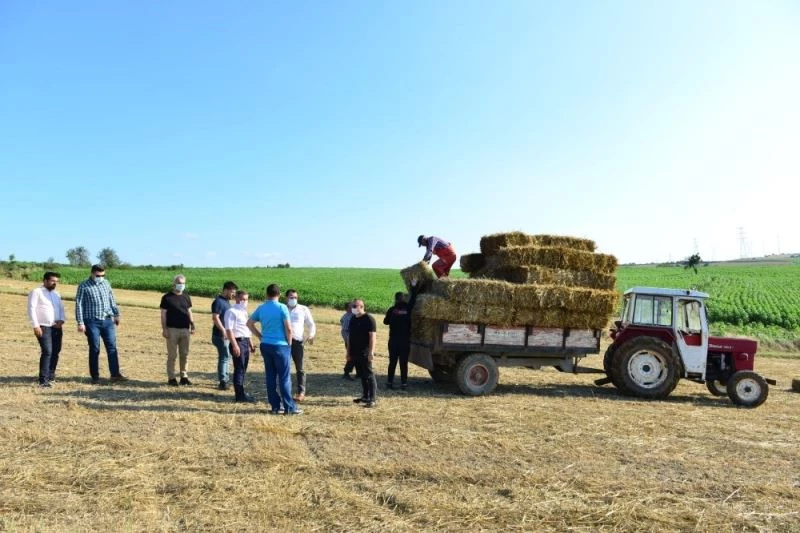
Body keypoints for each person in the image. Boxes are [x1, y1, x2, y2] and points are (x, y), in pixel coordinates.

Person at [247, 283, 302, 415]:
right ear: (279, 294)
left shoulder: (262, 308)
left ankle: (275, 406)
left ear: (267, 294)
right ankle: (289, 407)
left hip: (266, 345)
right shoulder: (282, 307)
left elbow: (249, 323)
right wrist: (289, 344)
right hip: (281, 345)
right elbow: (288, 328)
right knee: (284, 377)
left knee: (270, 376)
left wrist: (261, 336)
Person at [75, 264, 128, 384]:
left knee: (112, 347)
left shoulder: (106, 283)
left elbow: (111, 299)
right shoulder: (84, 286)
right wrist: (80, 322)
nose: (101, 277)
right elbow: (79, 304)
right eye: (98, 275)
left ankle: (115, 374)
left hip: (107, 321)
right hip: (91, 322)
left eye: (103, 275)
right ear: (92, 273)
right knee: (95, 348)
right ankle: (95, 376)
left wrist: (116, 314)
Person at [27, 271, 66, 387]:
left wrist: (62, 320)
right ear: (45, 280)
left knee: (56, 351)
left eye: (56, 281)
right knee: (47, 351)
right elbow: (31, 309)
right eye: (52, 281)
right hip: (43, 326)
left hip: (57, 327)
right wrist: (35, 325)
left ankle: (51, 376)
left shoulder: (56, 294)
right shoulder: (36, 292)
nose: (55, 283)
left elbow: (61, 309)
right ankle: (43, 380)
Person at [160, 274, 195, 386]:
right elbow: (163, 314)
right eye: (179, 283)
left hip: (185, 329)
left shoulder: (186, 297)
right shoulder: (166, 298)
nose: (181, 285)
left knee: (185, 354)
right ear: (174, 284)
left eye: (183, 283)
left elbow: (189, 311)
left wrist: (192, 325)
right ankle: (171, 378)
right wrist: (164, 329)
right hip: (172, 330)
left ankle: (184, 377)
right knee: (172, 355)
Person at [285, 288, 316, 402]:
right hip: (284, 342)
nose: (293, 299)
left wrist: (311, 335)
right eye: (291, 297)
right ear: (286, 298)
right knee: (285, 367)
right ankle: (286, 391)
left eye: (295, 297)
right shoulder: (282, 308)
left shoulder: (303, 309)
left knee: (300, 368)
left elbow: (311, 324)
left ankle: (301, 392)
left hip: (298, 342)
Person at [224, 290, 255, 402]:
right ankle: (239, 396)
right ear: (236, 298)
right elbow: (229, 330)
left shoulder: (244, 312)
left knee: (243, 368)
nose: (244, 301)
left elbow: (246, 329)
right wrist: (235, 345)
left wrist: (250, 342)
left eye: (246, 299)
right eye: (242, 299)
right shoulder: (231, 311)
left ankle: (241, 392)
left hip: (245, 341)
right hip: (238, 342)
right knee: (239, 369)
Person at [348, 298, 377, 408]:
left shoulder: (369, 319)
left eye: (355, 306)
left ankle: (373, 399)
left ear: (361, 306)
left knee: (369, 375)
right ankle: (365, 396)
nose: (353, 308)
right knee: (362, 375)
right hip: (355, 352)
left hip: (365, 352)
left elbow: (373, 337)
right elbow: (350, 337)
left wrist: (371, 352)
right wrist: (348, 352)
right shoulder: (353, 319)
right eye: (352, 306)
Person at [211, 281, 238, 390]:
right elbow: (215, 317)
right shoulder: (218, 302)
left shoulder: (227, 302)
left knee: (227, 357)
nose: (233, 295)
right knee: (224, 357)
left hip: (226, 335)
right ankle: (223, 381)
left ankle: (225, 379)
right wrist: (223, 330)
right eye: (232, 292)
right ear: (226, 290)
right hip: (220, 336)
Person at [383, 291, 411, 390]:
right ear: (404, 299)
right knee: (403, 363)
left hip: (393, 340)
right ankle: (404, 383)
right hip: (405, 341)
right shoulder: (408, 309)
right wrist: (414, 286)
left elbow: (385, 322)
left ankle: (390, 382)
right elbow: (414, 299)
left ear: (396, 299)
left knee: (392, 362)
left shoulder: (392, 310)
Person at [340, 300, 356, 380]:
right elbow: (345, 331)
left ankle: (359, 373)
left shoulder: (351, 315)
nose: (354, 307)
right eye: (352, 306)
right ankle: (346, 372)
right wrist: (349, 341)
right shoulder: (347, 317)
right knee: (352, 356)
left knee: (356, 356)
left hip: (352, 340)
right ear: (348, 308)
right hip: (350, 341)